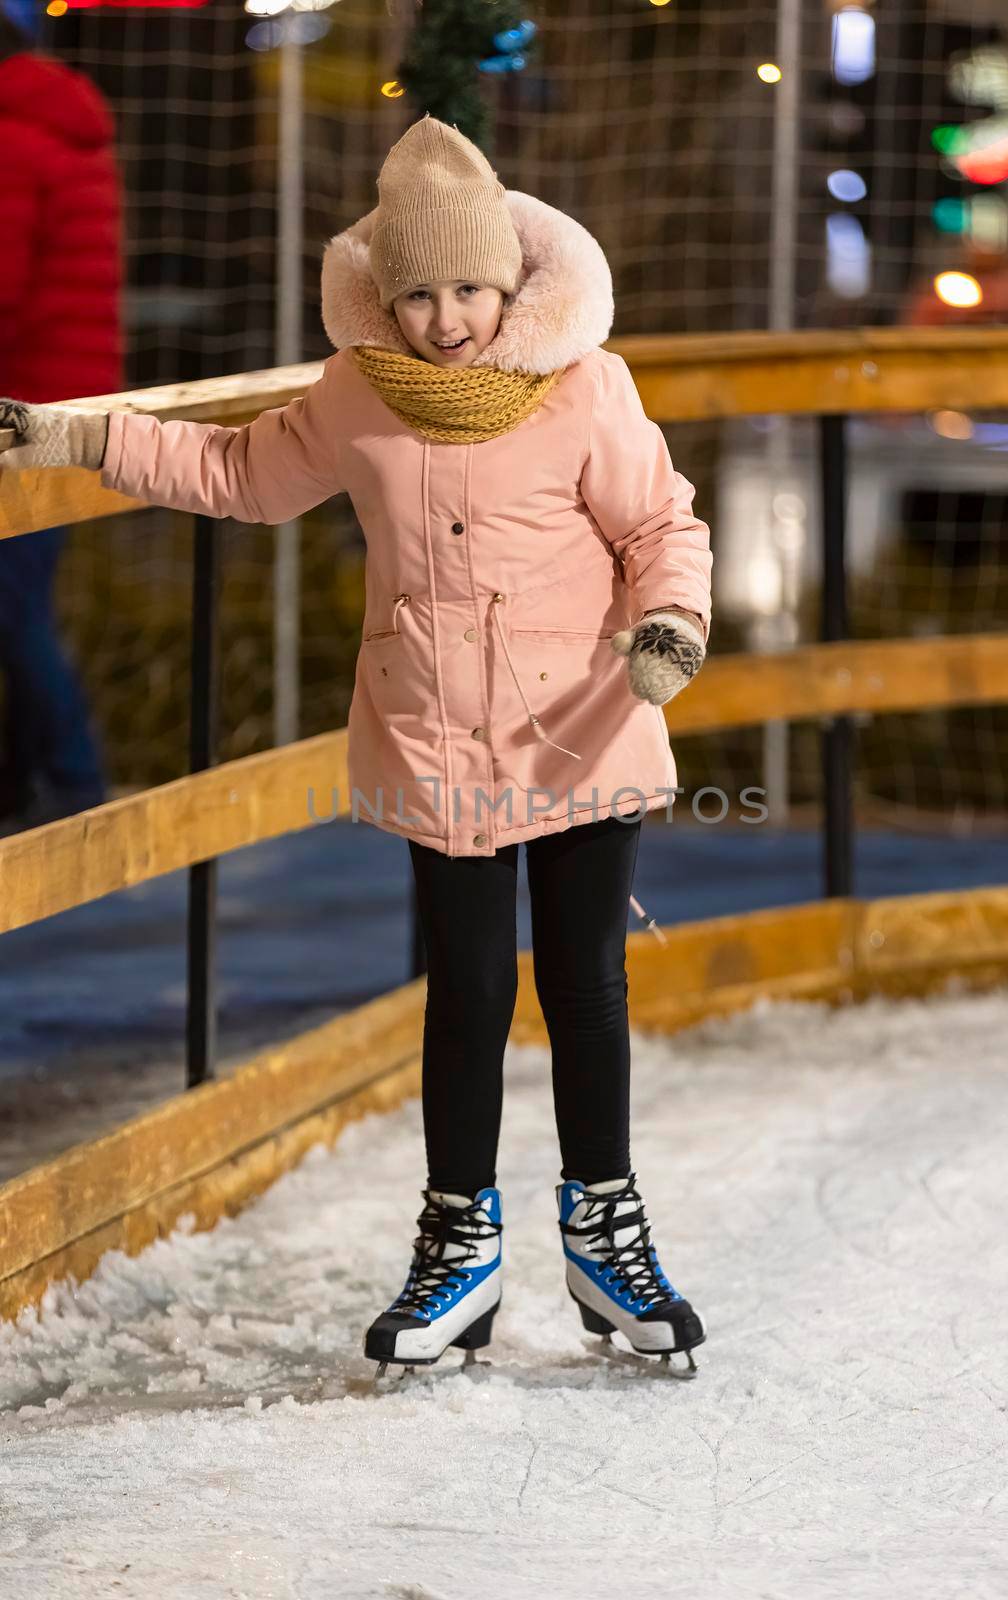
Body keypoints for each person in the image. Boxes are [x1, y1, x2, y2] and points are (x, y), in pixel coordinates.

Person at [0, 114, 713, 1379]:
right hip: (436, 734)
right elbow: (238, 471)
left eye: (469, 290)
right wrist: (83, 433)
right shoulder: (358, 391)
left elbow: (660, 522)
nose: (446, 318)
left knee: (586, 987)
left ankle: (607, 1232)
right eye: (420, 293)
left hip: (585, 722)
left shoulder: (583, 383)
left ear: (510, 280)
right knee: (468, 992)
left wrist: (668, 624)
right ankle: (459, 1245)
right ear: (387, 295)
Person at [0, 12, 119, 831]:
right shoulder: (63, 127)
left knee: (12, 607)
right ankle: (39, 783)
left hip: (20, 412)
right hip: (68, 404)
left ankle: (75, 783)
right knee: (19, 601)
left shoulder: (12, 141)